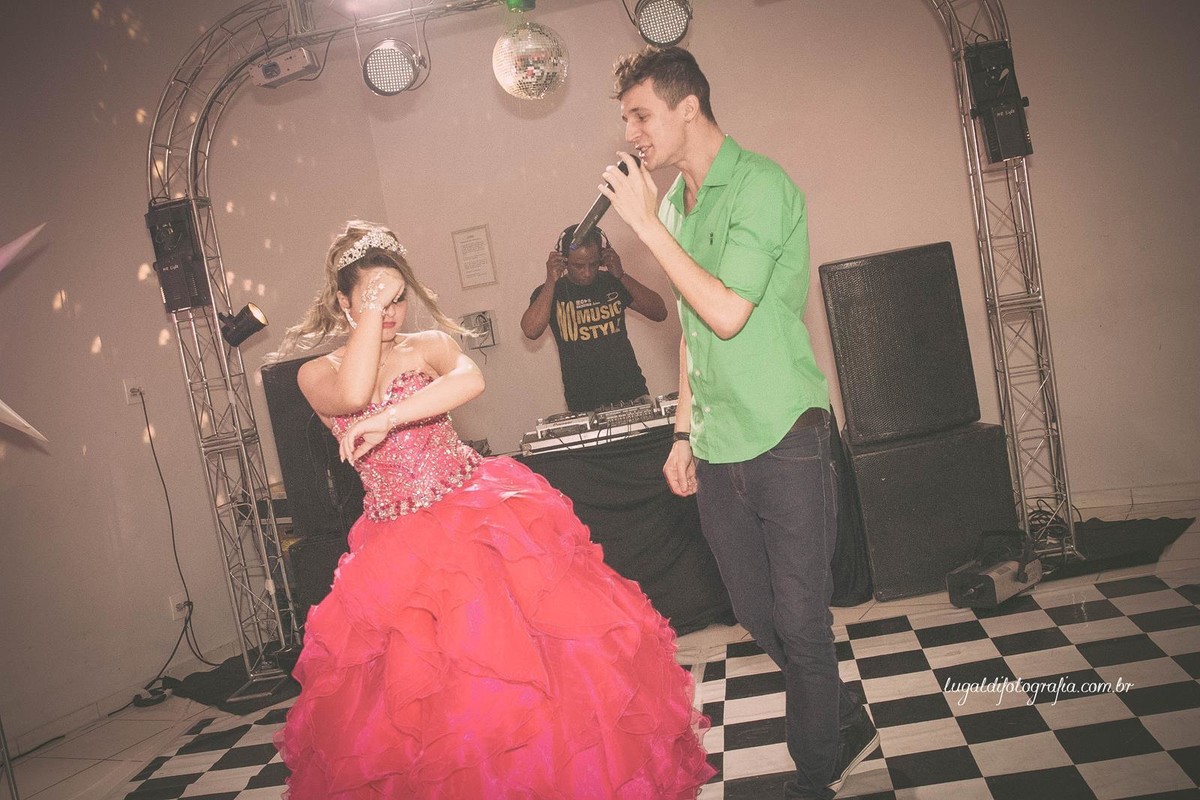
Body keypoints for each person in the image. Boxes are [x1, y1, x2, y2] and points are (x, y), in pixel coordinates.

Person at [270, 221, 713, 799]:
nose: (393, 311)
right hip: (394, 547)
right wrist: (370, 349)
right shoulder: (316, 374)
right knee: (421, 698)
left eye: (399, 297)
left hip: (473, 515)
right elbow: (353, 396)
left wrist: (389, 417)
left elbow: (469, 380)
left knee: (515, 672)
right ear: (342, 302)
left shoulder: (427, 347)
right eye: (377, 299)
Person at [600, 48, 879, 799]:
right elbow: (692, 328)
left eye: (640, 115)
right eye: (626, 118)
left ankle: (817, 772)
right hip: (720, 441)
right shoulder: (678, 207)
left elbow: (726, 312)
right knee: (761, 618)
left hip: (787, 429)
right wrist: (684, 430)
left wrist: (646, 228)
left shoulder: (760, 185)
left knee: (802, 619)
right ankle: (843, 714)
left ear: (687, 107)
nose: (630, 133)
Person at [520, 224, 668, 412]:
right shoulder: (551, 292)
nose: (587, 272)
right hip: (584, 405)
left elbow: (660, 312)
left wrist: (621, 275)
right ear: (564, 261)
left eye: (593, 264)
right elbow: (531, 330)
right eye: (578, 266)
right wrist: (551, 280)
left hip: (632, 395)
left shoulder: (613, 282)